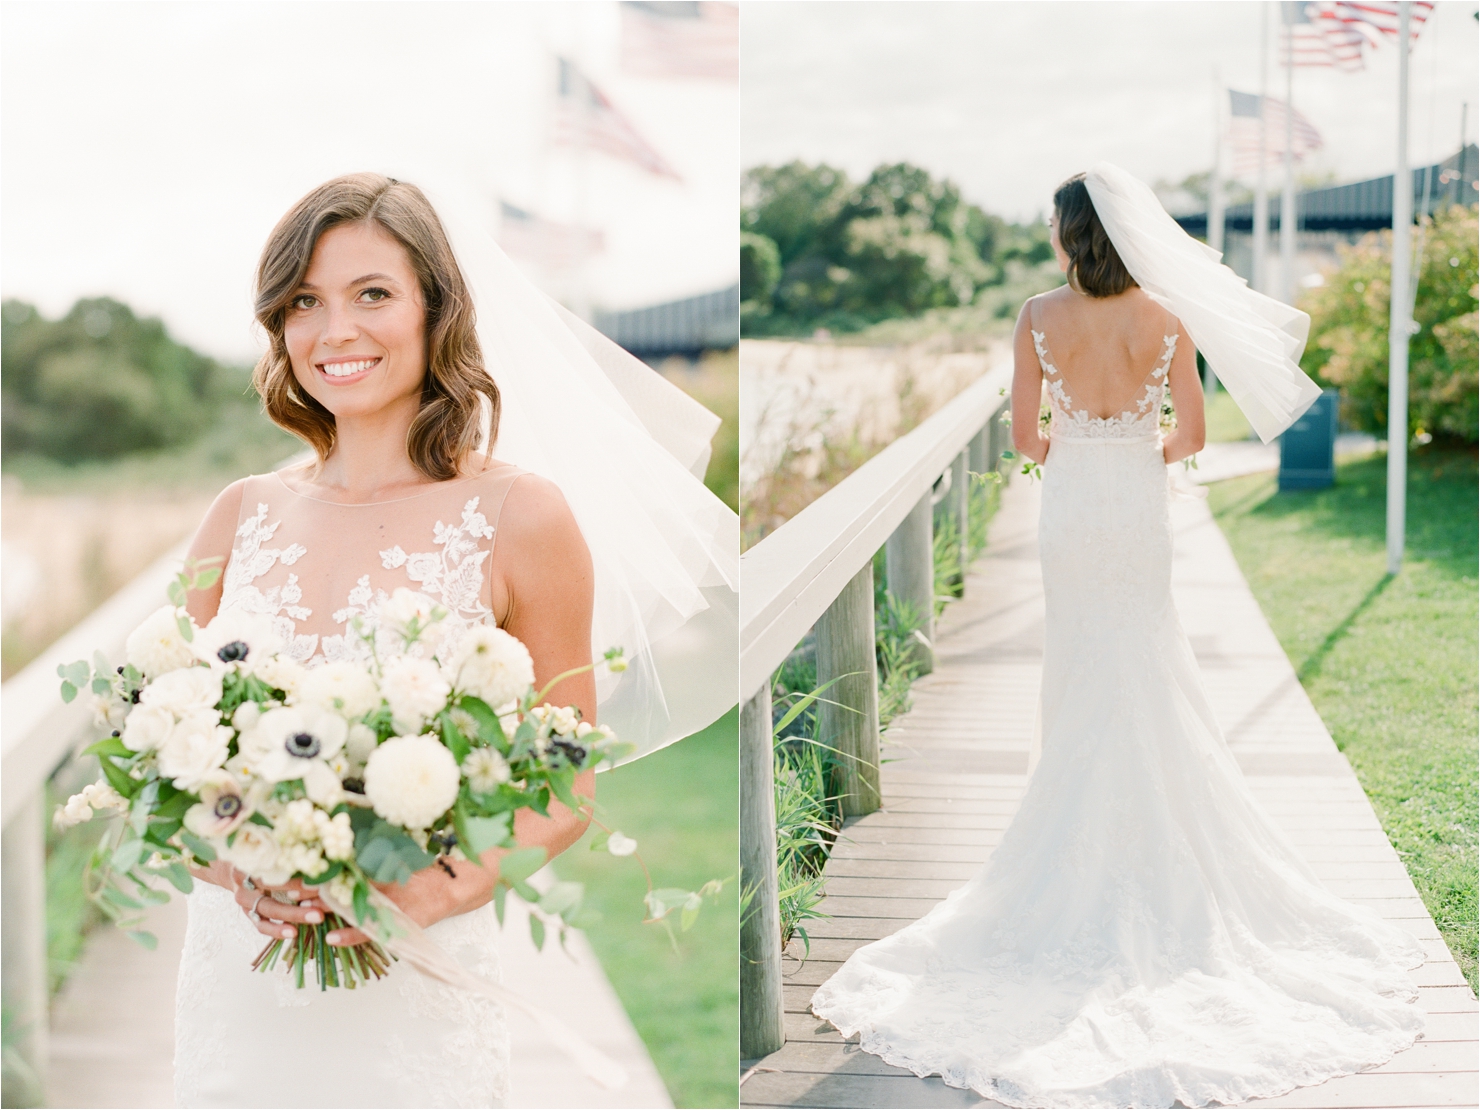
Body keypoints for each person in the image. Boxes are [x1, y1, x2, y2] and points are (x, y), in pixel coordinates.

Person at [809, 166, 1426, 1109]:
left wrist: (1081, 452)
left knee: (1083, 666)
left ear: (1065, 233)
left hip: (1071, 509)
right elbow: (1193, 436)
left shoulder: (1034, 315)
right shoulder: (1168, 314)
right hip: (1136, 501)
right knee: (1145, 659)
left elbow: (1024, 435)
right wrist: (1131, 448)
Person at [171, 174, 737, 1108]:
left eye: (373, 294)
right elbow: (174, 766)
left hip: (414, 990)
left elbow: (564, 787)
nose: (335, 330)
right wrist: (243, 871)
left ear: (439, 310)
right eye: (303, 302)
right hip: (241, 981)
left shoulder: (520, 517)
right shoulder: (241, 515)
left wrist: (420, 897)